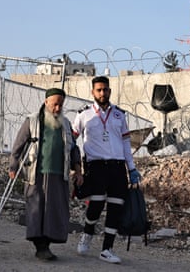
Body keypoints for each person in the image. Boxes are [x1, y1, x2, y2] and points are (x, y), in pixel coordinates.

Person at [72, 76, 142, 264]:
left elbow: (126, 143)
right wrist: (74, 165)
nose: (102, 93)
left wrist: (132, 168)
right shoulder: (84, 114)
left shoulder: (119, 114)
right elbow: (72, 140)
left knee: (115, 207)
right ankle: (87, 235)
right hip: (96, 166)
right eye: (99, 90)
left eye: (105, 90)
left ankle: (107, 249)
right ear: (93, 92)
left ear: (110, 91)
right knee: (95, 205)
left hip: (117, 167)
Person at [8, 88, 82, 261]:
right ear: (46, 101)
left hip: (59, 176)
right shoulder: (32, 121)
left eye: (60, 105)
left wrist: (78, 170)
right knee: (37, 209)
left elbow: (73, 149)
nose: (57, 108)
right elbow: (18, 145)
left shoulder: (65, 124)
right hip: (37, 173)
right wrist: (13, 165)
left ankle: (46, 244)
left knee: (54, 210)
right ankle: (40, 246)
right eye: (55, 104)